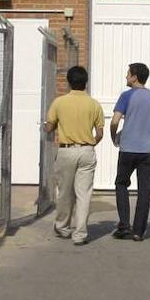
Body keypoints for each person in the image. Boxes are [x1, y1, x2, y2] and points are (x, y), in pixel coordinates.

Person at [44, 65, 105, 246]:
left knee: (64, 192)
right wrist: (90, 143)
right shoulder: (94, 104)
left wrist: (52, 125)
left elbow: (49, 127)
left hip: (66, 150)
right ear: (85, 82)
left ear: (69, 82)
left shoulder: (59, 102)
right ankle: (80, 234)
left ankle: (63, 227)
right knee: (84, 194)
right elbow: (100, 133)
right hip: (86, 151)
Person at [110, 62, 150, 242]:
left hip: (128, 150)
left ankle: (124, 225)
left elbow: (115, 121)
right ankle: (138, 232)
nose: (126, 77)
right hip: (148, 151)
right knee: (144, 191)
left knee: (121, 183)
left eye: (127, 74)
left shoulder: (126, 96)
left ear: (134, 77)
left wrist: (114, 137)